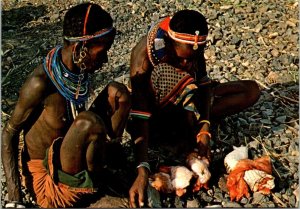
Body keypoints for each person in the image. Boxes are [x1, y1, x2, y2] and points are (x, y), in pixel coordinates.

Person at [1, 3, 131, 208]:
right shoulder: (39, 84)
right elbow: (8, 133)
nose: (106, 59)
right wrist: (14, 199)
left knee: (118, 93)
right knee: (88, 123)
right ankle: (96, 186)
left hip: (71, 153)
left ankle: (107, 168)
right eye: (102, 51)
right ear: (80, 48)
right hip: (49, 179)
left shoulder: (79, 68)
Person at [128, 9, 260, 207]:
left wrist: (205, 128)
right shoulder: (145, 57)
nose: (187, 63)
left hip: (187, 97)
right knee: (184, 83)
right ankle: (181, 130)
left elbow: (204, 86)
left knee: (251, 91)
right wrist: (142, 168)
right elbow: (140, 114)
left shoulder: (192, 45)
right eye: (183, 59)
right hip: (154, 114)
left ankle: (191, 123)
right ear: (171, 44)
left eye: (192, 59)